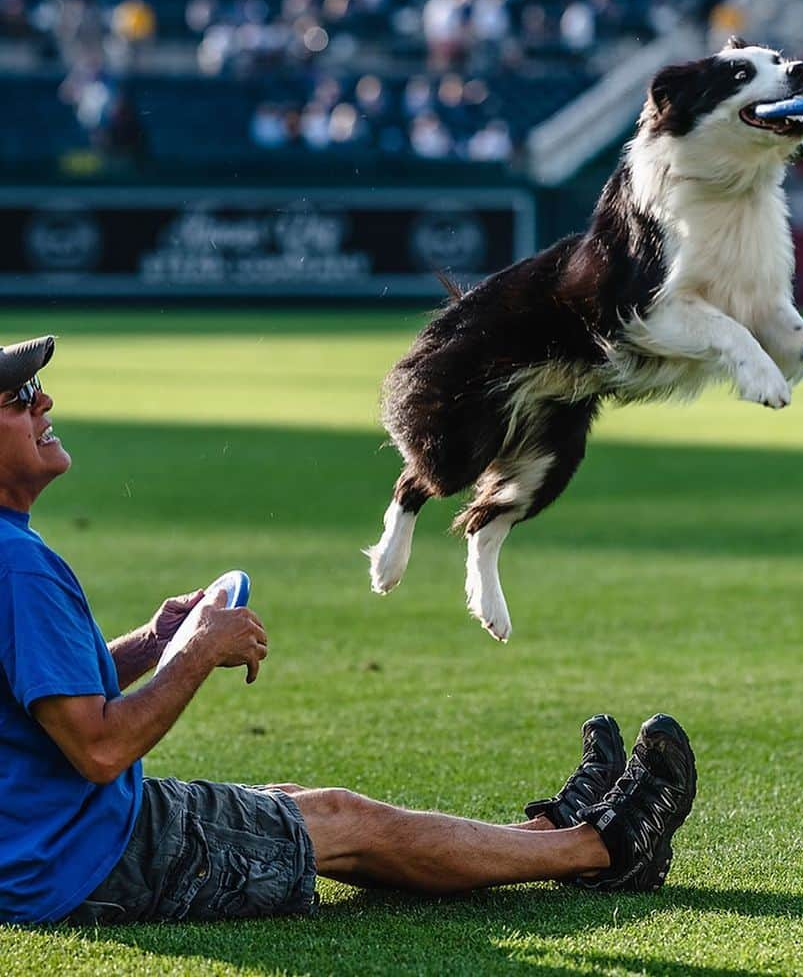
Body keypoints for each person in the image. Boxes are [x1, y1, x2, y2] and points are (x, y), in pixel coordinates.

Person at [0, 335, 697, 925]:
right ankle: (606, 848)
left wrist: (154, 643)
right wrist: (197, 651)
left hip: (46, 840)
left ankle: (544, 836)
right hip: (78, 863)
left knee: (293, 804)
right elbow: (96, 749)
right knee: (345, 821)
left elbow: (37, 702)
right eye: (18, 397)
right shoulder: (19, 566)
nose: (44, 401)